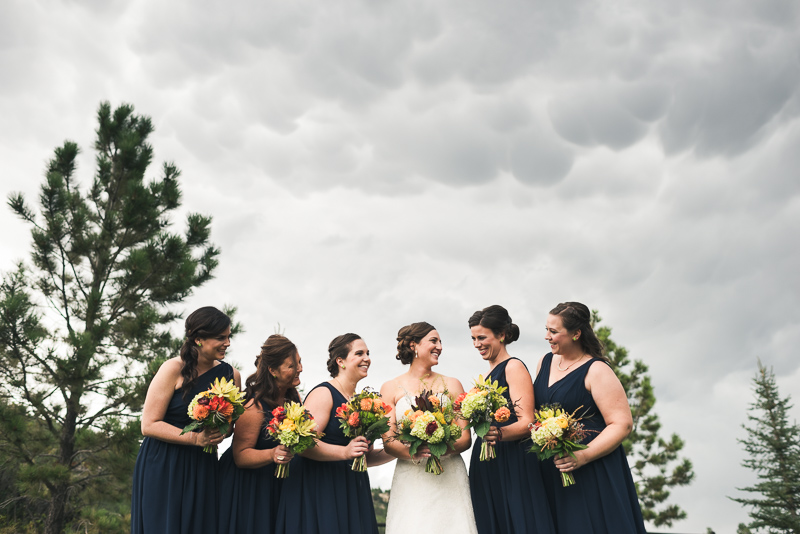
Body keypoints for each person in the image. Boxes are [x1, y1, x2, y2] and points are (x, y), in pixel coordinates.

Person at [534, 302, 646, 533]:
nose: (547, 336)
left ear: (576, 334)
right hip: (553, 469)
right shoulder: (544, 362)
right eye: (547, 329)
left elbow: (622, 424)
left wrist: (583, 456)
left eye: (554, 331)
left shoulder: (597, 370)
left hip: (591, 469)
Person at [131, 306, 241, 534]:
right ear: (199, 339)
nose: (227, 343)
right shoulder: (172, 369)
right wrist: (194, 438)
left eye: (228, 337)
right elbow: (148, 424)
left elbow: (230, 425)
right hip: (163, 462)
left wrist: (221, 429)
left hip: (203, 464)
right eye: (221, 337)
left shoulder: (232, 375)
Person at [275, 333, 394, 534]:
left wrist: (399, 450)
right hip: (320, 488)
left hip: (351, 486)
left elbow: (363, 456)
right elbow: (303, 445)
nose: (367, 358)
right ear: (341, 361)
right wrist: (344, 453)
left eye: (368, 353)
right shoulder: (324, 393)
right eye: (359, 353)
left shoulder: (362, 402)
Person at [380, 322, 478, 534]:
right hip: (411, 476)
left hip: (449, 474)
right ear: (414, 345)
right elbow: (389, 441)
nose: (440, 346)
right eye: (433, 341)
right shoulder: (390, 388)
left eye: (441, 342)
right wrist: (414, 451)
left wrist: (439, 450)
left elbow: (465, 438)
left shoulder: (453, 384)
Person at [467, 305, 556, 534]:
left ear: (502, 335)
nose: (477, 344)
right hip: (488, 459)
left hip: (512, 459)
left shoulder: (513, 366)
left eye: (482, 337)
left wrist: (498, 433)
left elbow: (527, 421)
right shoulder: (486, 374)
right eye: (474, 338)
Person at [217, 334, 301, 532]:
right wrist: (273, 454)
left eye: (299, 362)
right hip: (249, 488)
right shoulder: (254, 407)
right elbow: (240, 455)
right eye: (292, 366)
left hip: (278, 482)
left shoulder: (293, 398)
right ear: (272, 370)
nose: (300, 369)